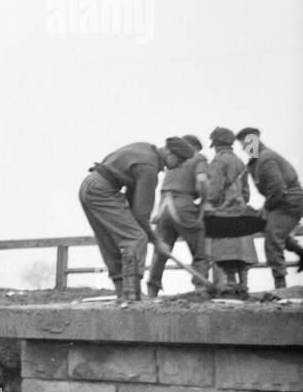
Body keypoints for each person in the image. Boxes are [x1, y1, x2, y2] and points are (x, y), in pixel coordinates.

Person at [80, 138, 186, 303]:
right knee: (136, 238)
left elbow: (133, 200)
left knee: (109, 240)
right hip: (103, 189)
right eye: (181, 160)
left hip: (89, 185)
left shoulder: (145, 149)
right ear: (169, 153)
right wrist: (156, 240)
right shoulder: (149, 168)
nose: (180, 165)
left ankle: (123, 292)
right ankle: (132, 294)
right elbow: (141, 215)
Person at [237, 127, 303, 289]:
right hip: (281, 203)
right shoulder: (257, 161)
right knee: (272, 229)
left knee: (272, 239)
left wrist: (266, 208)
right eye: (243, 144)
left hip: (289, 202)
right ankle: (301, 252)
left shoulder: (266, 160)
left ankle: (280, 286)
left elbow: (278, 188)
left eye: (246, 143)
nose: (244, 147)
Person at [146, 134, 211, 296]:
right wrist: (204, 201)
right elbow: (202, 180)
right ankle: (201, 288)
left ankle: (152, 290)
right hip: (183, 204)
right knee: (200, 251)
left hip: (163, 207)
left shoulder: (172, 161)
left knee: (161, 250)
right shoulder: (198, 158)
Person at [205, 127, 257, 296]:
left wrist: (210, 204)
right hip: (240, 210)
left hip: (224, 211)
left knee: (225, 253)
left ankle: (231, 288)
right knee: (242, 252)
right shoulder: (240, 161)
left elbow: (214, 189)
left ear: (217, 144)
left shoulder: (218, 162)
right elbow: (246, 192)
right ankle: (244, 286)